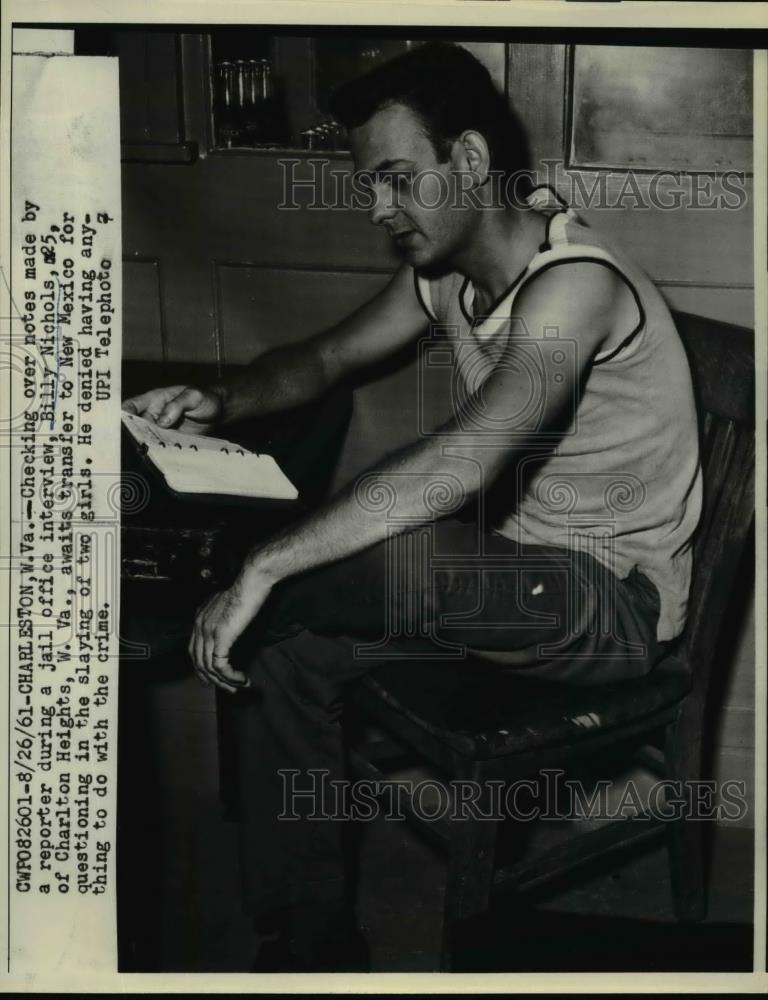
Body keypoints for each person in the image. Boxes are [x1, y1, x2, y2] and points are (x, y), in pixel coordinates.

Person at [123, 42, 702, 970]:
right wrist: (221, 400)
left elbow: (461, 465)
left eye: (397, 179)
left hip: (610, 603)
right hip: (511, 580)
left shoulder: (575, 287)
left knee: (378, 555)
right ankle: (308, 943)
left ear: (469, 161)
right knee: (286, 643)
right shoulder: (447, 277)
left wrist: (267, 563)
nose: (379, 209)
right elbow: (319, 361)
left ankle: (219, 583)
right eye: (369, 186)